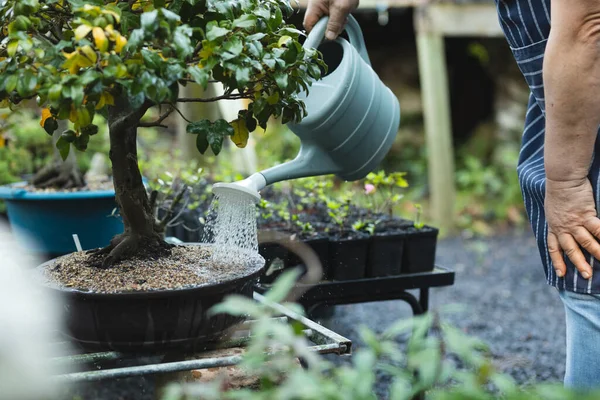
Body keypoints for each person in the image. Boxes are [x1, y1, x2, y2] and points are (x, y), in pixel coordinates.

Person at [305, 0, 600, 390]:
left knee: (591, 285)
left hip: (588, 108)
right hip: (575, 101)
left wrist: (566, 183)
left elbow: (588, 27)